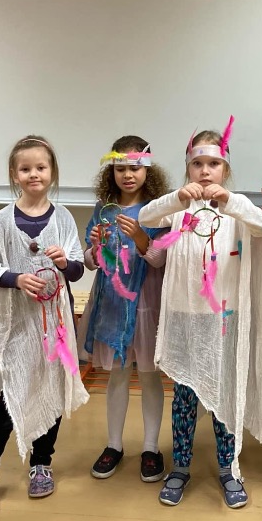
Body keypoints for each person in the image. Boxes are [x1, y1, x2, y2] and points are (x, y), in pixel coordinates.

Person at [139, 120, 262, 509]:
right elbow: (146, 217)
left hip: (224, 319)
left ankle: (228, 468)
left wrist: (230, 201)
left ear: (225, 169)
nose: (205, 171)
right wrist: (176, 199)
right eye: (197, 164)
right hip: (184, 316)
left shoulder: (237, 207)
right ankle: (180, 467)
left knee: (224, 394)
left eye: (213, 164)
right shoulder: (180, 207)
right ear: (188, 168)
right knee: (184, 396)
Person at [0, 135, 89, 515]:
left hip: (56, 326)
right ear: (14, 174)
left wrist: (64, 263)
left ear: (52, 172)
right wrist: (17, 278)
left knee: (51, 389)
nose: (34, 174)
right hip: (18, 326)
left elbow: (77, 269)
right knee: (11, 397)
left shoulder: (63, 217)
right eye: (25, 168)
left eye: (41, 167)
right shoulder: (3, 220)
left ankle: (42, 463)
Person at [82, 136, 170, 482]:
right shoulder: (103, 208)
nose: (128, 175)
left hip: (147, 303)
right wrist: (94, 248)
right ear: (112, 171)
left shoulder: (157, 209)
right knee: (117, 374)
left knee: (149, 375)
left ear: (147, 170)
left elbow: (161, 260)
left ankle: (150, 447)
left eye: (135, 168)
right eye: (120, 169)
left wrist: (140, 238)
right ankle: (114, 445)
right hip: (112, 304)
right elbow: (89, 261)